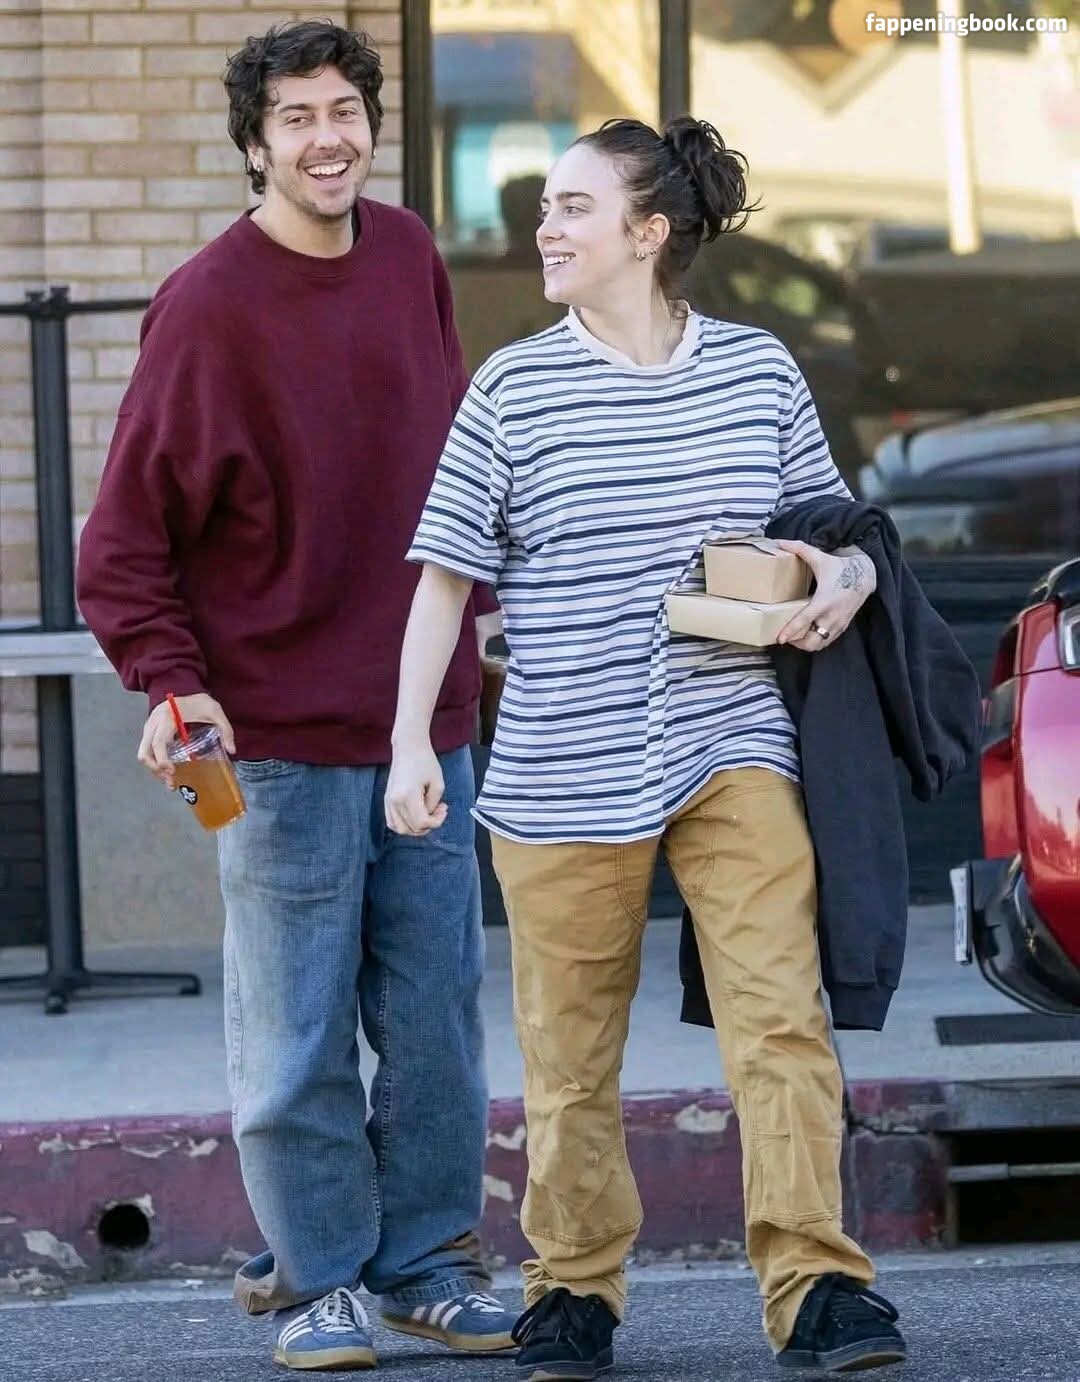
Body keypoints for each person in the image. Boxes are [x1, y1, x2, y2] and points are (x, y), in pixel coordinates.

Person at [386, 116, 909, 1379]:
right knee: (570, 1052)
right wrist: (410, 741)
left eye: (573, 207)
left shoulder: (757, 371)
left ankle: (818, 1284)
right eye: (547, 210)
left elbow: (831, 527)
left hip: (733, 734)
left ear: (648, 230)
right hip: (562, 762)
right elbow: (444, 580)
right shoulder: (513, 388)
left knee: (779, 1019)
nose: (545, 229)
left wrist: (841, 578)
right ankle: (573, 1288)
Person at [76, 19, 515, 1374]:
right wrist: (170, 681)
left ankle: (427, 1261)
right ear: (255, 144)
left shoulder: (410, 255)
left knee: (435, 1020)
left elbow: (449, 468)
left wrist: (487, 619)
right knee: (298, 1029)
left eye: (345, 111)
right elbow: (123, 543)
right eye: (298, 118)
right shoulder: (208, 304)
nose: (329, 139)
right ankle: (320, 1275)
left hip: (427, 726)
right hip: (271, 740)